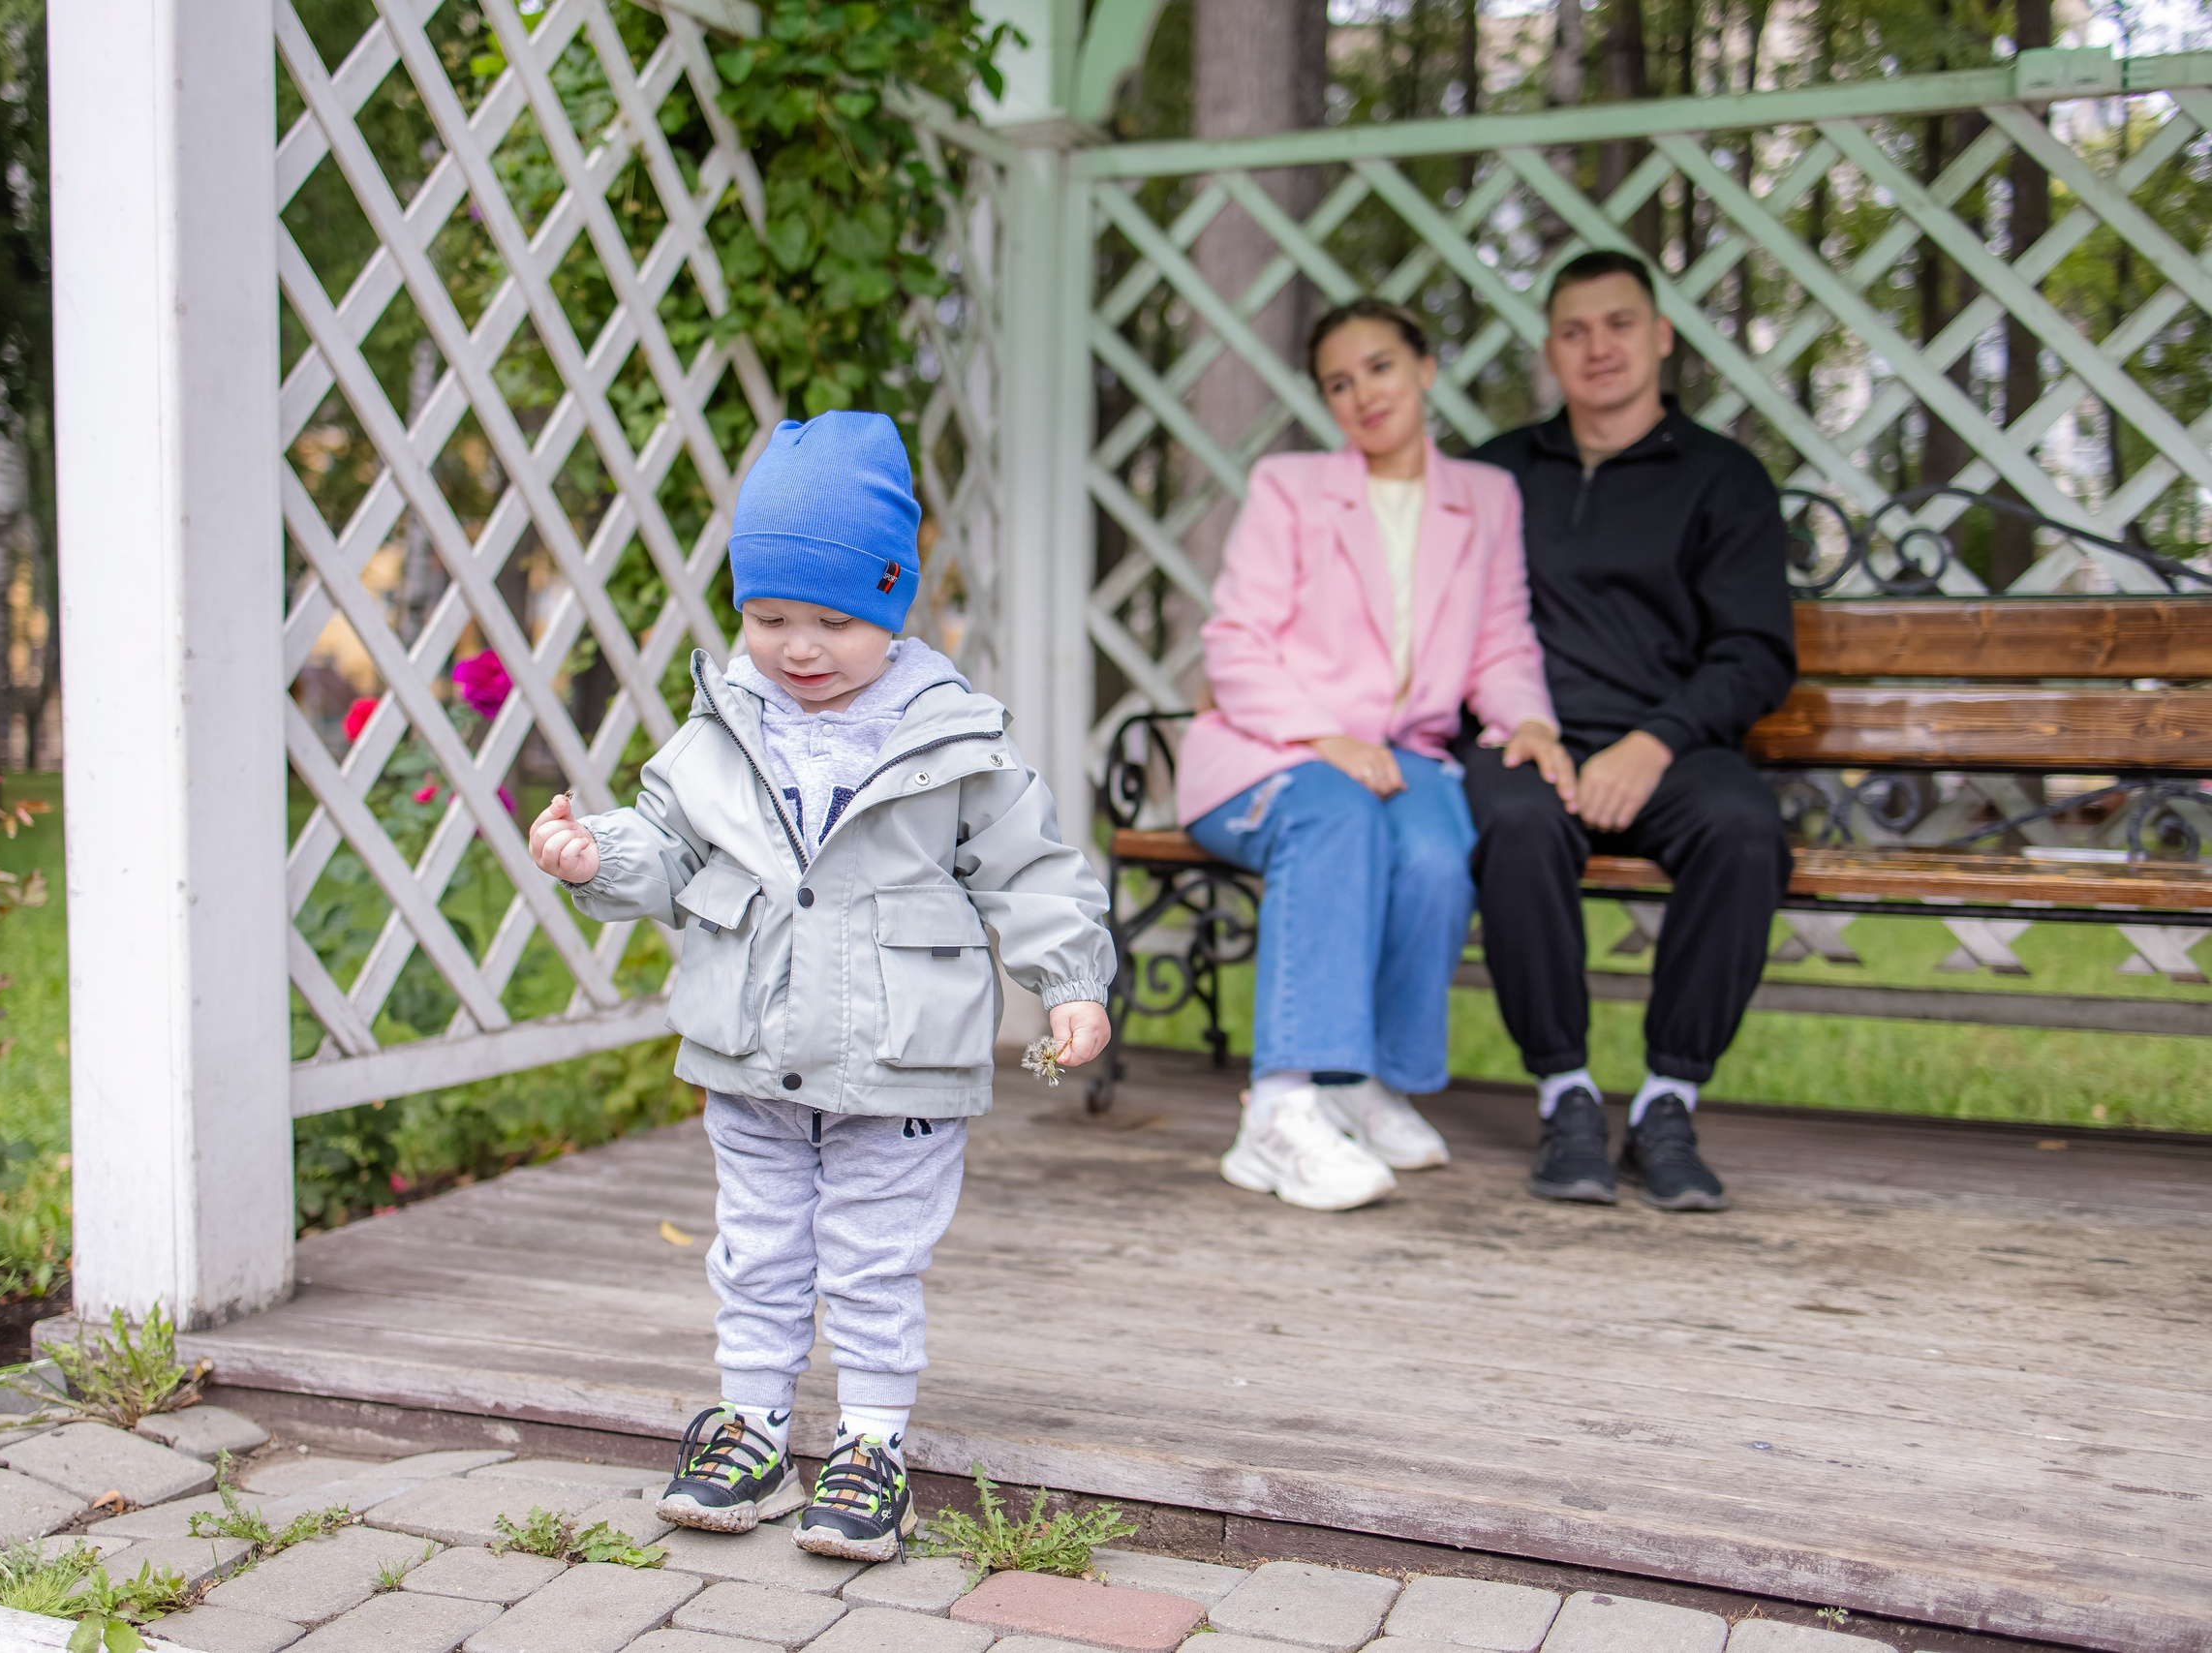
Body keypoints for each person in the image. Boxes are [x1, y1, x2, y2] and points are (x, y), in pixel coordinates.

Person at [527, 411, 1115, 1562]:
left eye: (835, 621)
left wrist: (1066, 978)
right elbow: (667, 843)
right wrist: (599, 859)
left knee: (873, 1252)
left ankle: (870, 1443)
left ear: (892, 604)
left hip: (900, 1057)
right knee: (755, 1243)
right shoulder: (718, 730)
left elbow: (1034, 873)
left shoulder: (958, 741)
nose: (799, 646)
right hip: (750, 1049)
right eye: (769, 616)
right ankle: (749, 1426)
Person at [1178, 299, 1575, 1213]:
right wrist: (1327, 738)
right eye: (1339, 382)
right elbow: (1235, 642)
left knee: (1439, 854)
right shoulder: (1292, 486)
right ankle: (1276, 1111)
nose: (1364, 394)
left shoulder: (1485, 497)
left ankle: (1361, 1082)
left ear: (1426, 369)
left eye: (1382, 368)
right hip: (1269, 748)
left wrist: (1532, 720)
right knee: (1335, 812)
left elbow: (1502, 644)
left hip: (1404, 756)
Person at [1464, 249, 1797, 1213]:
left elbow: (1754, 654)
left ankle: (1665, 1104)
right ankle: (1563, 1096)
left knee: (1743, 830)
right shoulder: (1494, 476)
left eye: (1617, 324)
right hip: (1527, 739)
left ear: (1658, 337)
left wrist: (1652, 744)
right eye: (1573, 331)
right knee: (1516, 825)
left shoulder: (1722, 479)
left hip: (1672, 745)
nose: (1596, 347)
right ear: (1550, 353)